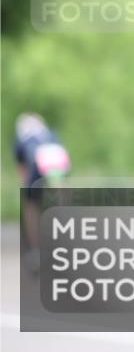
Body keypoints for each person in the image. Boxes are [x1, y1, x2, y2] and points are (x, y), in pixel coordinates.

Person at [14, 113, 71, 264]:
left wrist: (28, 190)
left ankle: (36, 250)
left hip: (37, 168)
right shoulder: (51, 134)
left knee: (31, 207)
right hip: (59, 165)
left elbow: (23, 170)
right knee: (60, 204)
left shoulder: (22, 139)